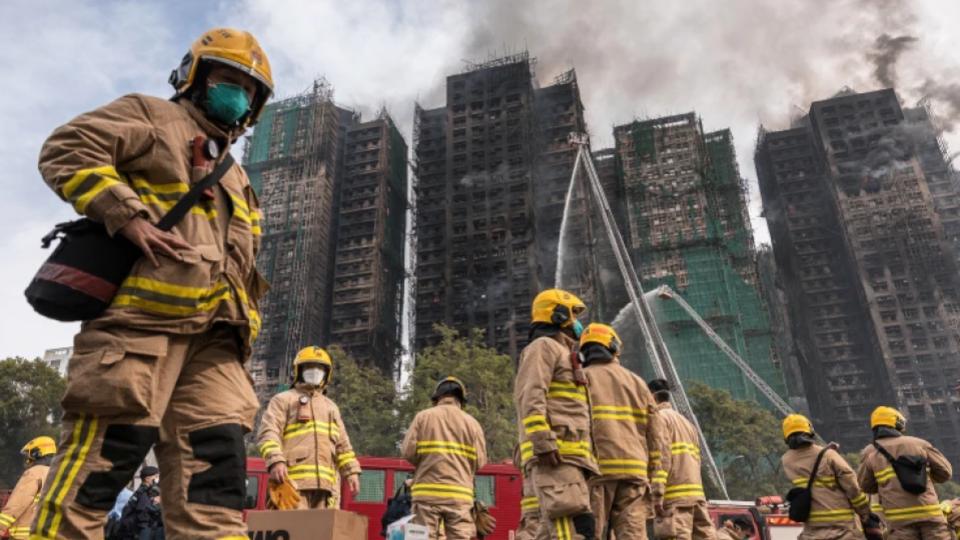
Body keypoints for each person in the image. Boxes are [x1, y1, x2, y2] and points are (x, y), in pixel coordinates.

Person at [32, 27, 273, 539]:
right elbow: (67, 148)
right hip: (142, 333)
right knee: (98, 474)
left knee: (217, 486)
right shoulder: (153, 116)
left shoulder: (237, 176)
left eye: (250, 91)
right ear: (194, 77)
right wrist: (128, 215)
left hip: (218, 347)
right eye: (228, 80)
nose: (239, 95)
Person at [515, 289, 599, 540]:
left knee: (556, 528)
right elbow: (530, 396)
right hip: (554, 455)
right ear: (558, 314)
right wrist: (543, 440)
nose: (578, 321)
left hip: (570, 456)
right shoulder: (543, 347)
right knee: (568, 529)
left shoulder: (567, 354)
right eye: (573, 314)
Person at [581, 323, 668, 539]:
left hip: (596, 474)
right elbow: (657, 436)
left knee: (591, 533)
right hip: (634, 475)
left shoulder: (580, 380)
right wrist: (653, 473)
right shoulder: (637, 383)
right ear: (613, 347)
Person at [257, 346, 361, 509]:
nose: (314, 371)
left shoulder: (331, 407)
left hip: (327, 489)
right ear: (299, 370)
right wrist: (276, 461)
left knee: (321, 533)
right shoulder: (283, 400)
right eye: (309, 367)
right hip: (292, 484)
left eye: (319, 368)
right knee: (294, 532)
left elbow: (343, 446)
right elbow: (268, 433)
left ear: (327, 373)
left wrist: (351, 471)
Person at [401, 377, 487, 539]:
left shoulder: (422, 417)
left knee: (421, 537)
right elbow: (480, 461)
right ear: (461, 400)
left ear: (437, 397)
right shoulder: (472, 424)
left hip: (426, 494)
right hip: (459, 497)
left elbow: (408, 452)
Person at [857, 406, 953, 540]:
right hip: (930, 515)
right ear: (897, 423)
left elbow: (865, 485)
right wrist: (924, 478)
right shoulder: (919, 444)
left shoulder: (870, 452)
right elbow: (945, 473)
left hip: (899, 522)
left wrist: (887, 484)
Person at [780, 414, 869, 540]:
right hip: (843, 530)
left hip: (812, 532)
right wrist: (865, 513)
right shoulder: (828, 456)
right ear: (810, 431)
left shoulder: (787, 461)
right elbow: (852, 486)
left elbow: (809, 464)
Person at [648, 379, 716, 540]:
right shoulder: (687, 423)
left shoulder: (659, 419)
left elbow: (661, 458)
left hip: (675, 498)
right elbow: (698, 461)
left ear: (651, 396)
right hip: (697, 496)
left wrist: (657, 494)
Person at [0, 437, 55, 539]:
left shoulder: (34, 473)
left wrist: (1, 527)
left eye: (28, 456)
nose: (27, 460)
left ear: (37, 453)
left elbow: (18, 503)